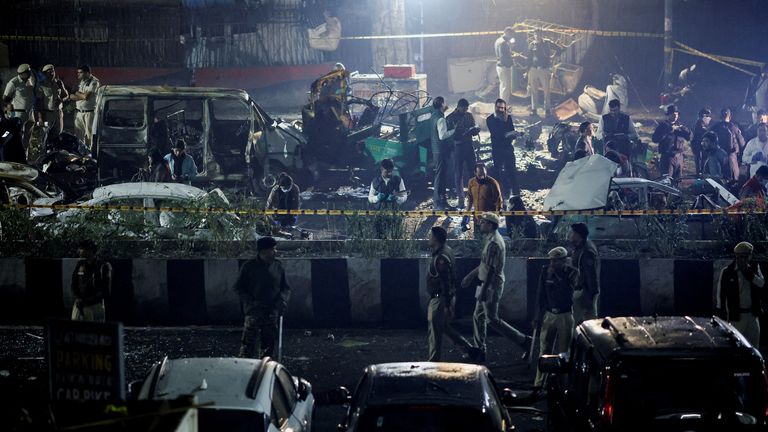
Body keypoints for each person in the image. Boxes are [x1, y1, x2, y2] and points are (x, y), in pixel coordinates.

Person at [461, 212, 532, 362]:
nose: (480, 224)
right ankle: (480, 350)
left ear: (490, 225)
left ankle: (524, 341)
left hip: (490, 285)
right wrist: (471, 276)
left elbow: (491, 270)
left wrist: (484, 290)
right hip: (487, 283)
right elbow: (484, 264)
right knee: (478, 317)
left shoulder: (494, 243)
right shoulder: (490, 239)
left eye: (483, 222)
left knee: (492, 319)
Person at [235, 237, 291, 358]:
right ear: (263, 250)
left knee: (268, 344)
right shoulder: (248, 267)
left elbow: (285, 288)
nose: (275, 251)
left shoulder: (278, 266)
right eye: (272, 249)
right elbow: (239, 288)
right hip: (254, 312)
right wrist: (251, 303)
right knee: (248, 345)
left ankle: (265, 370)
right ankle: (245, 370)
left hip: (272, 311)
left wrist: (282, 300)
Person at [426, 226, 476, 361]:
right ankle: (469, 349)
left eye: (430, 236)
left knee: (435, 334)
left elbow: (445, 281)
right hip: (443, 298)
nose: (429, 239)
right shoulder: (447, 251)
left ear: (435, 239)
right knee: (443, 327)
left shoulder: (440, 257)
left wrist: (447, 305)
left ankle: (433, 362)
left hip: (439, 299)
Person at [533, 246, 579, 389]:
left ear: (564, 261)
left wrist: (557, 276)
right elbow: (540, 294)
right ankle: (539, 383)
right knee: (544, 349)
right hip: (549, 314)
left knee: (563, 352)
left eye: (556, 261)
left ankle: (561, 384)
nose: (552, 264)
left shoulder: (571, 273)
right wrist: (536, 316)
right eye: (551, 261)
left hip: (565, 315)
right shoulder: (545, 271)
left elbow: (568, 291)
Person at [716, 241, 764, 347]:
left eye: (746, 256)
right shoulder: (727, 272)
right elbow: (721, 295)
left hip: (752, 315)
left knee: (754, 346)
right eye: (740, 256)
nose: (743, 259)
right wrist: (723, 317)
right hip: (736, 317)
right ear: (736, 256)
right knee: (736, 347)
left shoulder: (754, 268)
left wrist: (748, 273)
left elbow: (761, 283)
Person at [446, 98, 479, 210]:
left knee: (472, 173)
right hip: (457, 148)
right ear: (459, 107)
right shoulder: (450, 118)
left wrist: (474, 130)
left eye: (466, 108)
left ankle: (473, 198)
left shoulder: (469, 116)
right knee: (458, 174)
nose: (465, 110)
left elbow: (474, 127)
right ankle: (461, 200)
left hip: (469, 147)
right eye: (464, 108)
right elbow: (448, 136)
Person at [485, 98, 520, 197]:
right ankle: (499, 194)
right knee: (498, 173)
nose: (501, 110)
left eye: (503, 108)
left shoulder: (508, 118)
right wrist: (503, 123)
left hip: (508, 149)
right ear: (495, 107)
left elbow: (511, 131)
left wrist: (514, 134)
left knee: (512, 171)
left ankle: (516, 195)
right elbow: (497, 134)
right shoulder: (490, 119)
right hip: (497, 150)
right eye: (499, 108)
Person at [71, 239, 112, 322]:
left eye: (83, 249)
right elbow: (74, 283)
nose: (80, 251)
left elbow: (106, 290)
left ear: (91, 251)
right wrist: (78, 298)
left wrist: (87, 301)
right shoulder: (80, 264)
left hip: (95, 305)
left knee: (95, 331)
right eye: (80, 248)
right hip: (80, 304)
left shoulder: (103, 266)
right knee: (76, 330)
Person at [525, 30, 561, 117]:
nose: (537, 36)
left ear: (541, 35)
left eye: (538, 34)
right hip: (533, 70)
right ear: (534, 35)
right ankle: (534, 110)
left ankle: (547, 110)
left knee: (546, 90)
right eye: (535, 34)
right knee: (533, 90)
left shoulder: (547, 43)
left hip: (544, 70)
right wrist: (527, 71)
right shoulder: (531, 44)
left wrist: (553, 57)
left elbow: (559, 49)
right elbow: (529, 59)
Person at [570, 223, 599, 324]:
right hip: (583, 290)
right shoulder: (580, 247)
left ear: (579, 235)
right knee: (590, 323)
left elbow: (591, 275)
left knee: (572, 323)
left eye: (573, 233)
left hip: (584, 291)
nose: (571, 236)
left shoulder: (586, 251)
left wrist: (589, 295)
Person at [463, 163, 503, 236]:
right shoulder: (471, 182)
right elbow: (470, 199)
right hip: (477, 219)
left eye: (484, 174)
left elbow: (498, 201)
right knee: (477, 241)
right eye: (480, 175)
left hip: (488, 222)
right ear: (475, 173)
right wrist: (466, 215)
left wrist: (496, 219)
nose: (482, 177)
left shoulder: (493, 183)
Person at [652, 105, 692, 180]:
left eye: (676, 114)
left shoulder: (680, 126)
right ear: (668, 115)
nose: (675, 116)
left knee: (677, 180)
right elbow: (655, 139)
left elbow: (690, 137)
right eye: (673, 114)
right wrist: (669, 130)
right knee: (667, 180)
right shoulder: (663, 126)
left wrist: (683, 129)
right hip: (667, 157)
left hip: (679, 157)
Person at [3, 64, 36, 150]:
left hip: (30, 113)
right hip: (19, 113)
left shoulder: (30, 80)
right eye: (27, 72)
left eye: (30, 71)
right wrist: (10, 112)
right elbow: (5, 98)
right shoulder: (13, 82)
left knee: (28, 137)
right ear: (21, 74)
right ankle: (17, 156)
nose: (30, 73)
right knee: (18, 136)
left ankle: (25, 156)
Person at [430, 97, 455, 210]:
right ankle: (438, 203)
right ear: (441, 104)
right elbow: (442, 135)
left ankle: (441, 201)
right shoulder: (440, 119)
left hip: (437, 151)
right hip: (441, 152)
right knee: (440, 177)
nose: (446, 104)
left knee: (441, 176)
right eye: (445, 102)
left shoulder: (434, 116)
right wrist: (454, 130)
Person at [68, 65, 100, 149]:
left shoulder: (94, 82)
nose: (78, 74)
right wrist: (81, 96)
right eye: (77, 72)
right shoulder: (80, 81)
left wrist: (77, 93)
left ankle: (90, 157)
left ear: (87, 73)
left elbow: (86, 97)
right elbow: (70, 96)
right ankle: (81, 156)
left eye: (80, 72)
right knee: (78, 137)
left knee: (90, 137)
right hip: (78, 112)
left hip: (89, 113)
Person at [710, 108, 744, 180]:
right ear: (730, 116)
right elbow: (742, 143)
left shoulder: (714, 128)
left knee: (719, 180)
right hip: (732, 158)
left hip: (718, 157)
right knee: (734, 180)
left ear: (720, 116)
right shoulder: (734, 127)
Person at [35, 64, 68, 138]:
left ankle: (56, 149)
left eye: (53, 71)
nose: (52, 73)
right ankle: (46, 149)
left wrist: (61, 100)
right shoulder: (41, 85)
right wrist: (40, 117)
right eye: (49, 72)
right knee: (46, 135)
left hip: (58, 113)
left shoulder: (59, 83)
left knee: (59, 133)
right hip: (47, 114)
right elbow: (39, 102)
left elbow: (66, 95)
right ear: (45, 74)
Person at [495, 27, 517, 104]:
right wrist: (512, 57)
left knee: (503, 87)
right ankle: (504, 106)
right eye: (511, 35)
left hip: (500, 66)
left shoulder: (498, 40)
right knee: (506, 88)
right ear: (507, 32)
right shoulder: (503, 43)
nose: (511, 37)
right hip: (504, 67)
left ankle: (502, 105)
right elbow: (503, 57)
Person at [690, 108, 713, 175]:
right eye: (707, 116)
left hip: (699, 145)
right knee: (700, 161)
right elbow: (699, 134)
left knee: (701, 161)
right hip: (698, 145)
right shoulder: (699, 123)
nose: (709, 117)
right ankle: (700, 174)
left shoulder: (699, 122)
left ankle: (701, 173)